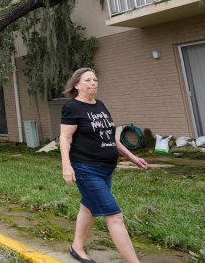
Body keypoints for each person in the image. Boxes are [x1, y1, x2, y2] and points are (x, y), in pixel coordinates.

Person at [59, 68, 148, 263]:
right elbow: (65, 138)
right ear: (77, 85)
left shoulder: (100, 105)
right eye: (88, 80)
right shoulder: (72, 107)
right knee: (115, 216)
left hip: (106, 168)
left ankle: (77, 247)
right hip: (86, 168)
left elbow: (110, 138)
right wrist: (67, 166)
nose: (93, 83)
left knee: (88, 207)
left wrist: (131, 156)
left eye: (95, 79)